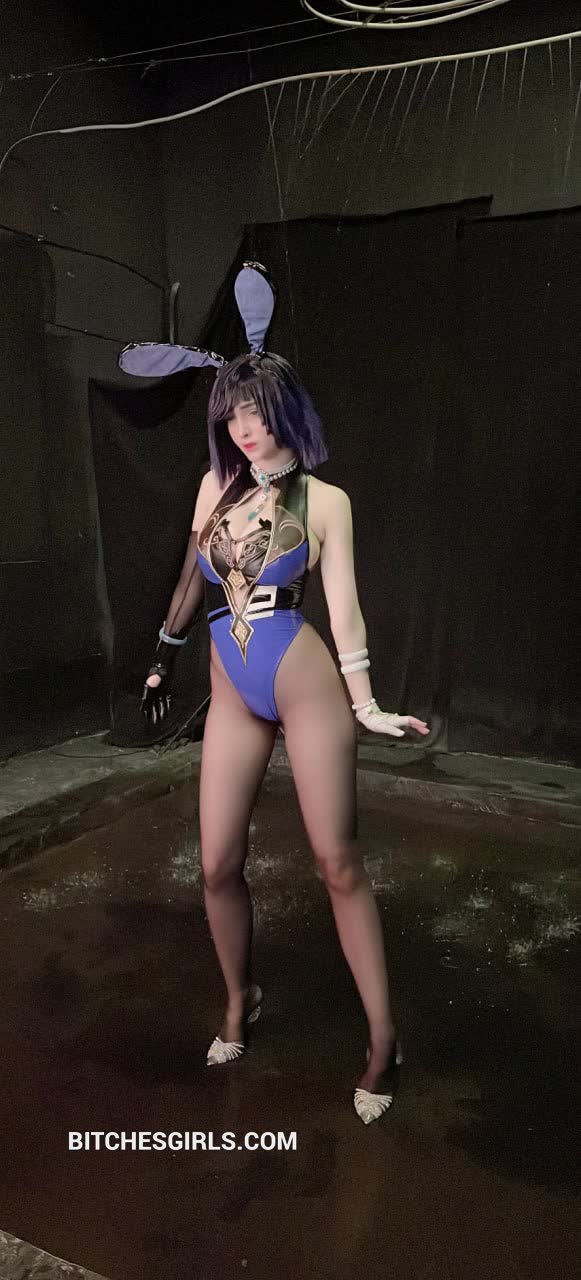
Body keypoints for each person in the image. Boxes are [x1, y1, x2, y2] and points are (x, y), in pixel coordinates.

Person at [142, 351, 429, 1124]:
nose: (243, 427)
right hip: (232, 689)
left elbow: (345, 611)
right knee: (215, 864)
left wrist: (365, 704)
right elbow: (192, 576)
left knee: (337, 862)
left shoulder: (325, 500)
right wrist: (164, 656)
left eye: (256, 411)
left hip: (303, 685)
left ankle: (383, 1040)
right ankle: (241, 1001)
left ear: (286, 411)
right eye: (232, 413)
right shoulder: (214, 485)